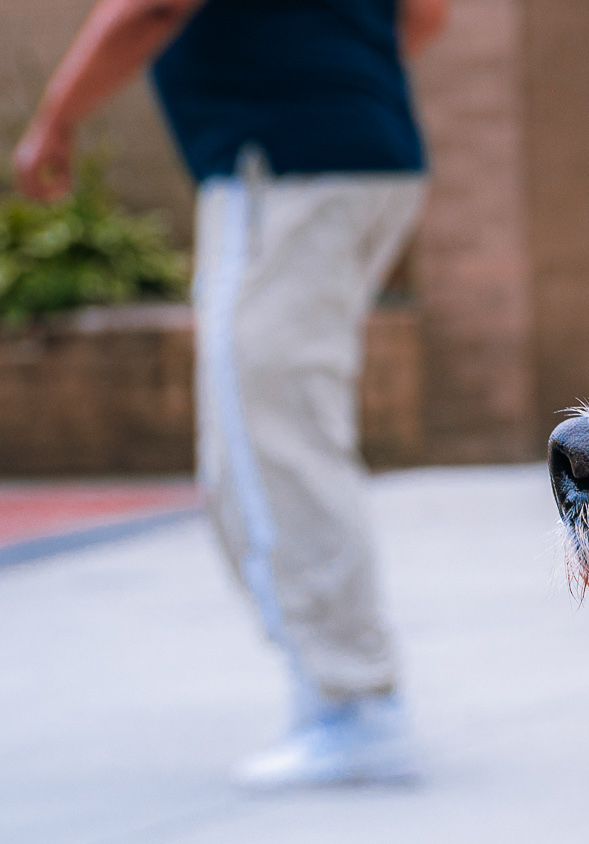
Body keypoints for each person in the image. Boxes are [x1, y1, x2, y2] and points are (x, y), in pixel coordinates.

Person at [14, 0, 449, 788]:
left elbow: (151, 8)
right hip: (364, 154)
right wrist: (338, 73)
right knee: (278, 425)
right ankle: (345, 691)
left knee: (263, 441)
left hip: (280, 167)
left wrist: (55, 122)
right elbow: (428, 13)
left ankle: (352, 700)